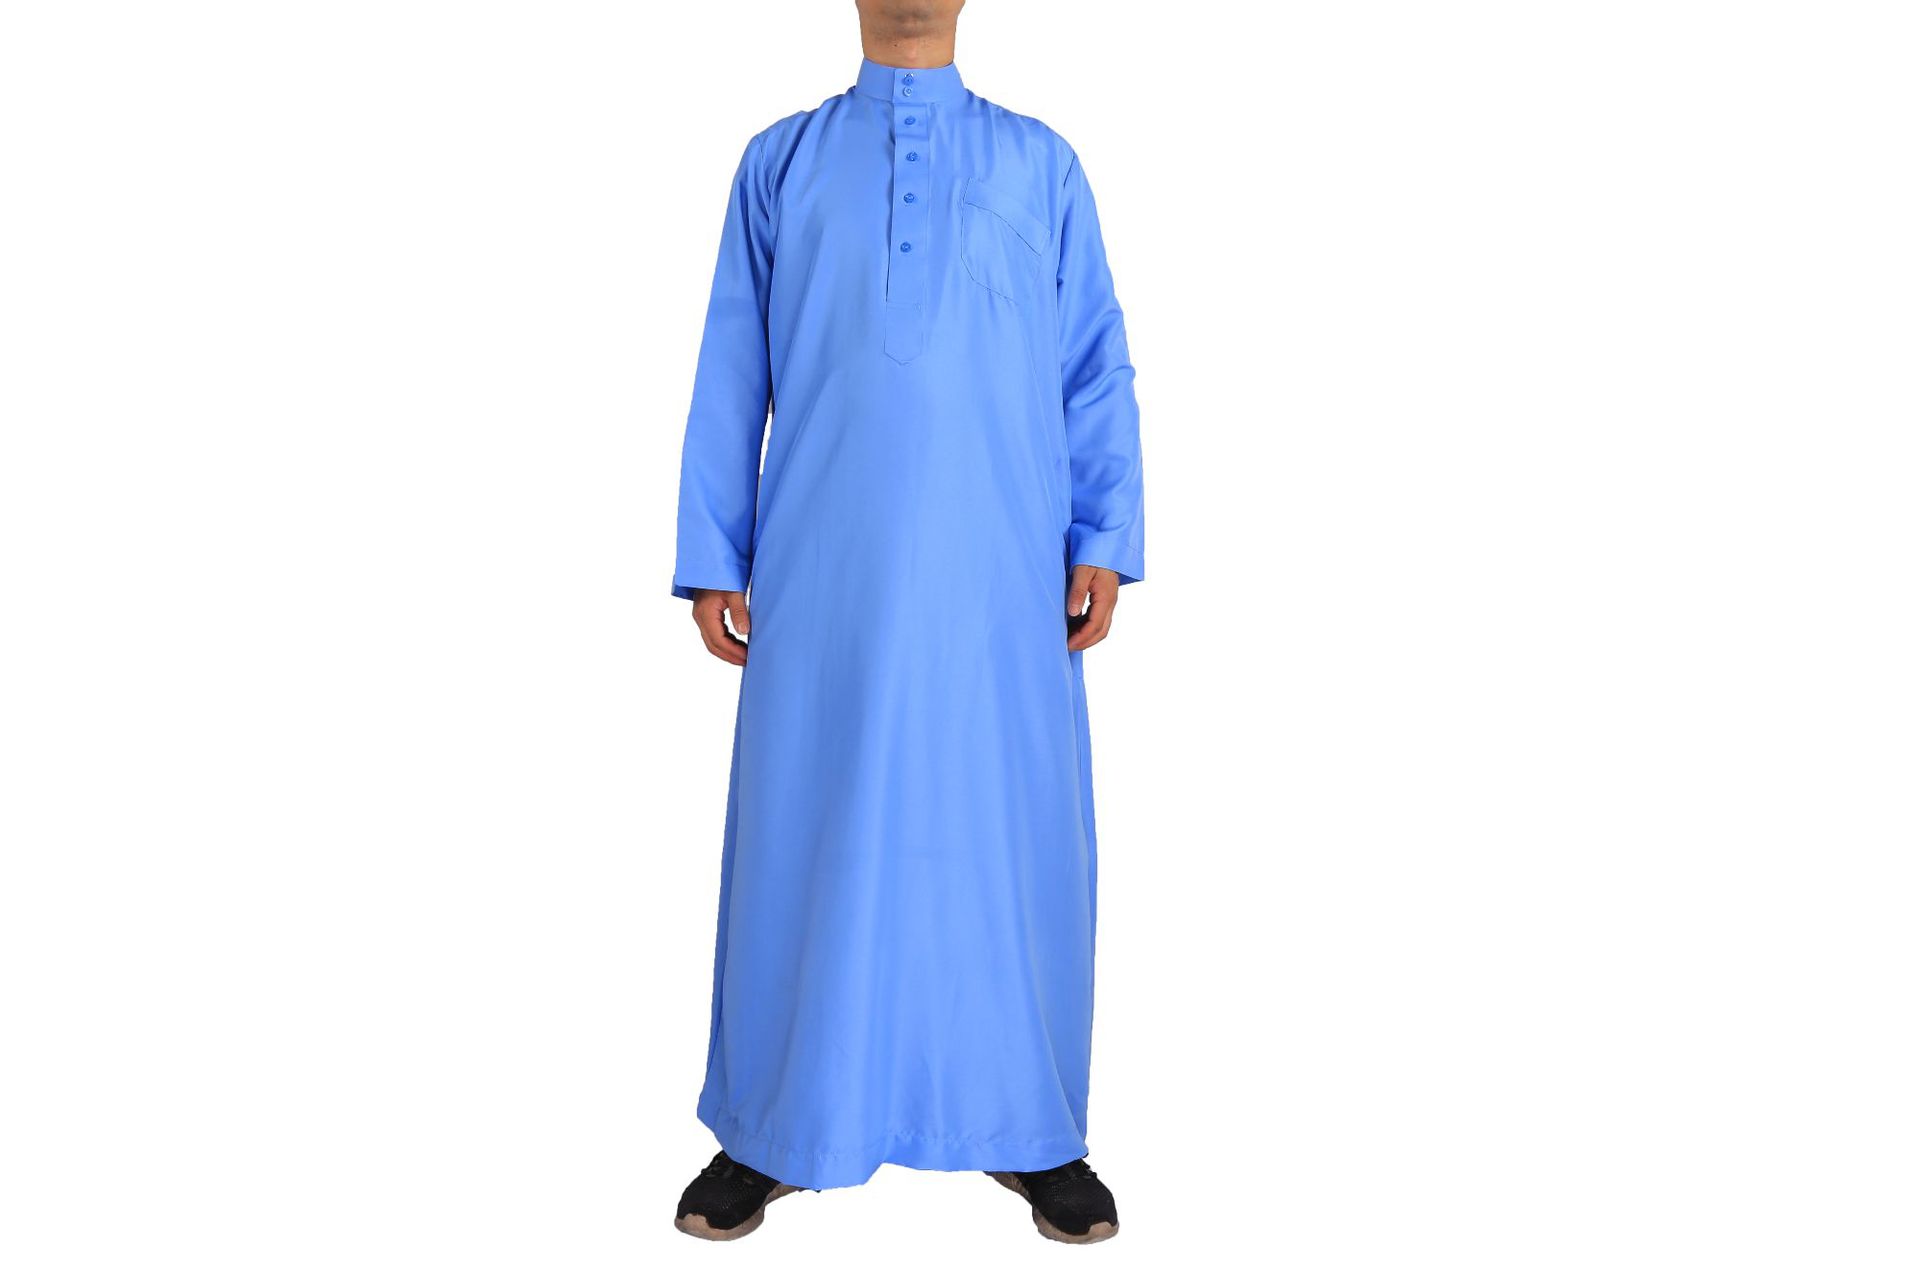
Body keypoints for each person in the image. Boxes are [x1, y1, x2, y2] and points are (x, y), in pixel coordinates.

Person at [668, 0, 1144, 1245]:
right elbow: (732, 366)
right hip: (824, 573)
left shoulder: (1042, 166)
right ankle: (774, 1126)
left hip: (1003, 578)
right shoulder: (779, 165)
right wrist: (715, 550)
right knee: (806, 829)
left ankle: (1032, 1127)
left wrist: (1105, 532)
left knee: (1006, 836)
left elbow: (1093, 362)